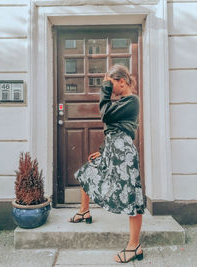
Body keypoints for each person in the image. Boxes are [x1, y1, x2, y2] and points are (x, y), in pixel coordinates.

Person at [68, 64, 145, 263]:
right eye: (107, 86)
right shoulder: (121, 102)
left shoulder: (132, 100)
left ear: (122, 81)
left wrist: (103, 89)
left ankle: (134, 246)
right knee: (86, 172)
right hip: (112, 149)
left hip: (124, 154)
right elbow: (113, 128)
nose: (109, 89)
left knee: (132, 197)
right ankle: (84, 211)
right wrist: (102, 151)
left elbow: (105, 115)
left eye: (110, 84)